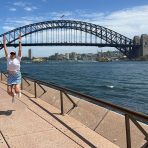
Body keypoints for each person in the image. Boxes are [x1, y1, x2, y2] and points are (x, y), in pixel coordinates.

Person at [3, 35, 22, 103]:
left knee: (17, 90)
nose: (12, 54)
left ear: (15, 54)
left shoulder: (18, 58)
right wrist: (4, 41)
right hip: (10, 75)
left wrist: (19, 41)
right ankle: (13, 96)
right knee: (9, 91)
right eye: (11, 53)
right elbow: (5, 49)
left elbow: (20, 50)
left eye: (14, 53)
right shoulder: (8, 58)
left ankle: (19, 91)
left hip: (17, 75)